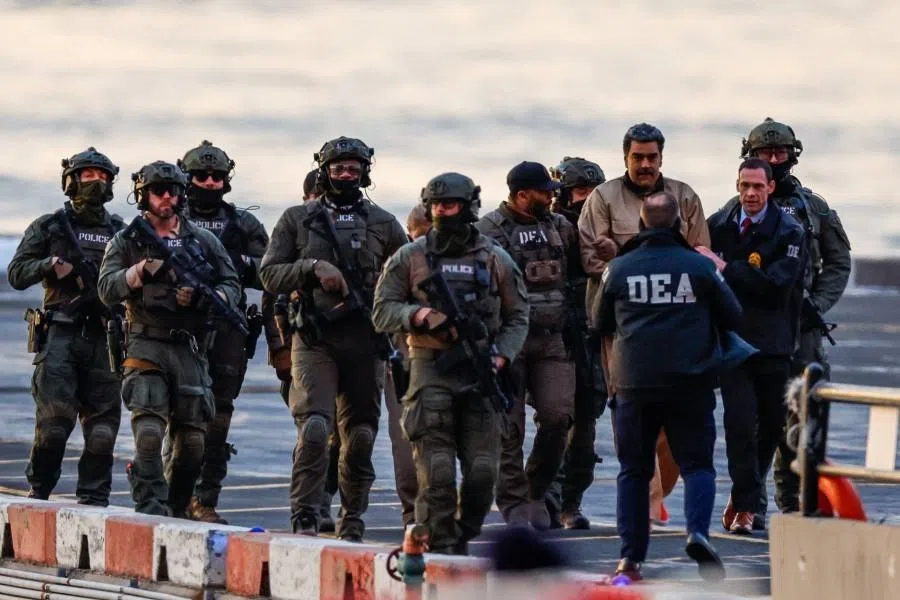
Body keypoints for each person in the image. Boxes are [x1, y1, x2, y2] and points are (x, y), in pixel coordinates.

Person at [372, 172, 528, 554]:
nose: (443, 212)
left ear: (468, 207)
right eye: (437, 205)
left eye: (451, 205)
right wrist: (419, 316)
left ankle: (462, 533)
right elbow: (382, 311)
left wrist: (501, 355)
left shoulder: (494, 258)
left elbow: (519, 314)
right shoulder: (410, 257)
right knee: (437, 471)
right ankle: (441, 546)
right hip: (430, 368)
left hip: (481, 372)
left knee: (482, 474)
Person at [259, 136, 407, 540]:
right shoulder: (296, 219)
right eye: (339, 168)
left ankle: (353, 518)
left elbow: (412, 274)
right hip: (315, 339)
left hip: (366, 341)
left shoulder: (384, 223)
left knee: (359, 436)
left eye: (354, 168)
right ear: (324, 170)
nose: (346, 174)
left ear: (365, 172)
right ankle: (305, 513)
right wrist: (312, 267)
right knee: (314, 430)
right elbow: (269, 274)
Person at [597, 191, 744, 582]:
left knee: (633, 470)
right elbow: (734, 314)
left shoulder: (618, 268)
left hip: (633, 384)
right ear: (679, 225)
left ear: (642, 225)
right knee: (698, 466)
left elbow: (599, 323)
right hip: (690, 383)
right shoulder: (699, 268)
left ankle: (630, 560)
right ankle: (697, 531)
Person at [577, 123, 711, 523]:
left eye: (652, 157)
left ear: (662, 158)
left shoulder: (683, 196)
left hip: (678, 325)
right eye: (638, 157)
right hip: (623, 328)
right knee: (630, 415)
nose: (645, 165)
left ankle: (659, 493)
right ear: (625, 158)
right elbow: (590, 260)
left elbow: (702, 252)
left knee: (674, 425)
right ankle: (647, 500)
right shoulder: (603, 198)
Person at [97, 160, 241, 517]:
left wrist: (203, 297)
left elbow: (230, 284)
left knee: (193, 441)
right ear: (143, 195)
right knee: (148, 432)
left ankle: (177, 507)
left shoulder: (202, 240)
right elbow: (106, 288)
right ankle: (150, 503)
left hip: (189, 346)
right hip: (146, 340)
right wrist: (139, 273)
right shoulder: (127, 240)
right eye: (159, 191)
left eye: (173, 190)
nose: (166, 197)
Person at [725, 118, 852, 523]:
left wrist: (817, 302)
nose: (775, 160)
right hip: (759, 327)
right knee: (760, 418)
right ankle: (751, 505)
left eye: (781, 153)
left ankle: (795, 502)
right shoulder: (736, 209)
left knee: (805, 414)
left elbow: (838, 260)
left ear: (793, 156)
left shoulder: (814, 208)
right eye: (766, 154)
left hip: (805, 329)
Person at [7, 147, 124, 506]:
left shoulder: (122, 232)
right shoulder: (50, 226)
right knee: (55, 424)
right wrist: (47, 266)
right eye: (88, 176)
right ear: (71, 182)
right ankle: (39, 492)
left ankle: (94, 499)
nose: (95, 183)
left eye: (102, 177)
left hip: (105, 339)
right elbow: (16, 273)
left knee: (103, 431)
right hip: (60, 334)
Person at [701, 158, 806, 535]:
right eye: (744, 186)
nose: (750, 194)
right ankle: (746, 505)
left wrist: (728, 269)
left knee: (773, 425)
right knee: (740, 423)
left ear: (770, 188)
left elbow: (777, 286)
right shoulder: (719, 226)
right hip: (733, 342)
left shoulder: (790, 231)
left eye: (758, 187)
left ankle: (744, 492)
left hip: (775, 342)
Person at [476, 161, 578, 529]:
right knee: (509, 428)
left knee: (557, 417)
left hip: (553, 340)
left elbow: (582, 268)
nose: (552, 196)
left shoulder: (560, 227)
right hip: (509, 342)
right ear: (521, 195)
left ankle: (536, 488)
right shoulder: (488, 230)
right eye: (544, 191)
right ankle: (515, 502)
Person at [174, 140, 271, 524]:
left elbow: (272, 272)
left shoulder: (244, 224)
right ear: (187, 178)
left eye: (217, 177)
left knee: (219, 419)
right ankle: (174, 493)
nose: (210, 183)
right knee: (178, 416)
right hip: (179, 327)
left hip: (227, 328)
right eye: (202, 176)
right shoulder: (167, 220)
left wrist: (239, 263)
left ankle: (205, 497)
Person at [546, 156, 608, 530]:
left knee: (585, 425)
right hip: (554, 336)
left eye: (592, 192)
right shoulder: (551, 231)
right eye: (579, 192)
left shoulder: (607, 230)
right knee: (555, 420)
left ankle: (570, 501)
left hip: (593, 334)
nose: (586, 199)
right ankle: (546, 495)